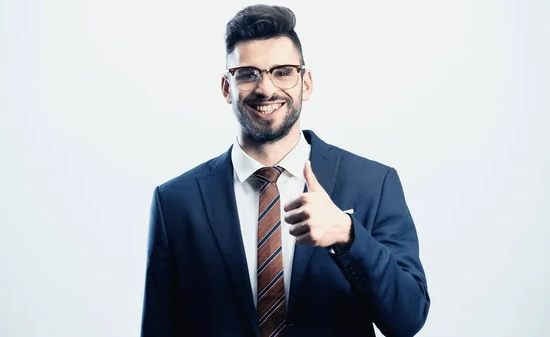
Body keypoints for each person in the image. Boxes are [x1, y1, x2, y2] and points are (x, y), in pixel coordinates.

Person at [140, 4, 430, 337]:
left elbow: (408, 318)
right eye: (248, 73)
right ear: (226, 88)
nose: (266, 88)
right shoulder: (176, 202)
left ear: (305, 83)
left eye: (283, 71)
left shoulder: (373, 185)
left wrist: (349, 236)